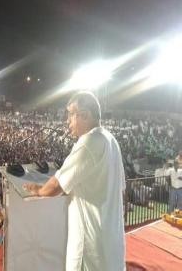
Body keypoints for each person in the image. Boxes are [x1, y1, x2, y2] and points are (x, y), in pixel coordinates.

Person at [24, 91, 126, 271]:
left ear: (85, 115)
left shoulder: (89, 142)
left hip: (90, 245)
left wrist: (38, 190)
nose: (67, 120)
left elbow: (56, 186)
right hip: (111, 240)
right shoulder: (110, 140)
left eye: (71, 114)